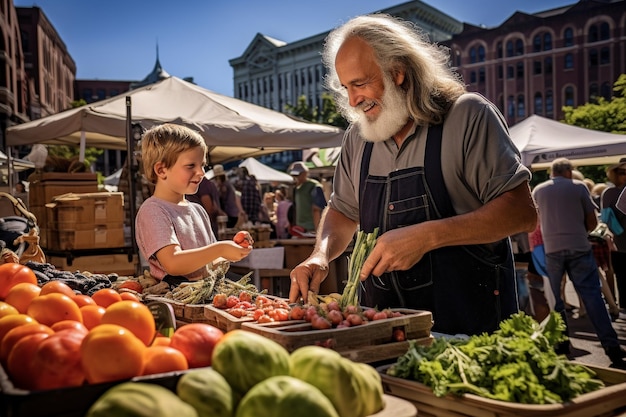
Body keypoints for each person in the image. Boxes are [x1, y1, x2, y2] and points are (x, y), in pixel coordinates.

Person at [288, 14, 537, 336]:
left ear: (399, 72)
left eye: (360, 83)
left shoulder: (467, 115)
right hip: (383, 329)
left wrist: (426, 236)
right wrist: (320, 256)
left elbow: (521, 214)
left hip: (470, 330)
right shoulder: (357, 138)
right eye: (346, 87)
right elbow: (343, 211)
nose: (352, 101)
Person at [533, 158, 625, 368]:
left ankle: (561, 343)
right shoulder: (579, 187)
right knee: (592, 296)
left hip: (552, 249)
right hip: (579, 247)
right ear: (568, 171)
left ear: (552, 172)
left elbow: (535, 222)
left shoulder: (538, 190)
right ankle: (611, 346)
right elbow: (592, 222)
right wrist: (579, 233)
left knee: (555, 298)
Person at [135, 123, 253, 287]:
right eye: (191, 166)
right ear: (161, 170)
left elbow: (208, 263)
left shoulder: (198, 210)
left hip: (204, 300)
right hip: (175, 303)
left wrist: (232, 251)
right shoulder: (153, 210)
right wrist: (220, 249)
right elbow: (173, 263)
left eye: (202, 165)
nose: (201, 172)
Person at [602, 157, 626, 312]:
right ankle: (623, 306)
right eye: (622, 172)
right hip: (619, 240)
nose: (625, 175)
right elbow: (605, 218)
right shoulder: (610, 192)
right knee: (622, 275)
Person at [288, 161, 327, 233]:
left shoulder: (314, 186)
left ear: (305, 173)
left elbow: (316, 209)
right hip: (299, 228)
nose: (296, 177)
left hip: (311, 229)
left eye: (298, 174)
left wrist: (317, 231)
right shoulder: (297, 188)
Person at [212, 164, 240, 228]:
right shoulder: (227, 184)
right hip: (230, 213)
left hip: (229, 213)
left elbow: (221, 197)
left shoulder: (225, 185)